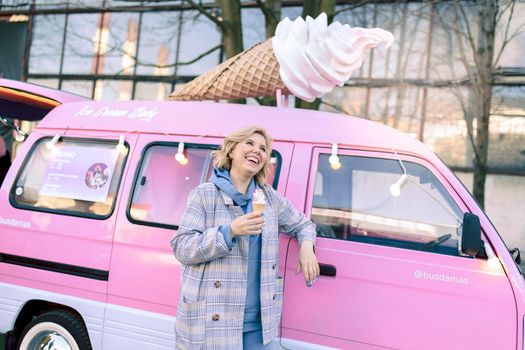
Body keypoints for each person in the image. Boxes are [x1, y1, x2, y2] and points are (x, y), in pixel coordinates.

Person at [170, 126, 319, 349]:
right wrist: (229, 231)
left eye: (263, 148)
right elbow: (181, 248)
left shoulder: (268, 197)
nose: (257, 151)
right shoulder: (205, 194)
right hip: (213, 319)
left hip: (257, 323)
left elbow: (303, 224)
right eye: (249, 143)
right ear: (231, 151)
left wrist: (307, 247)